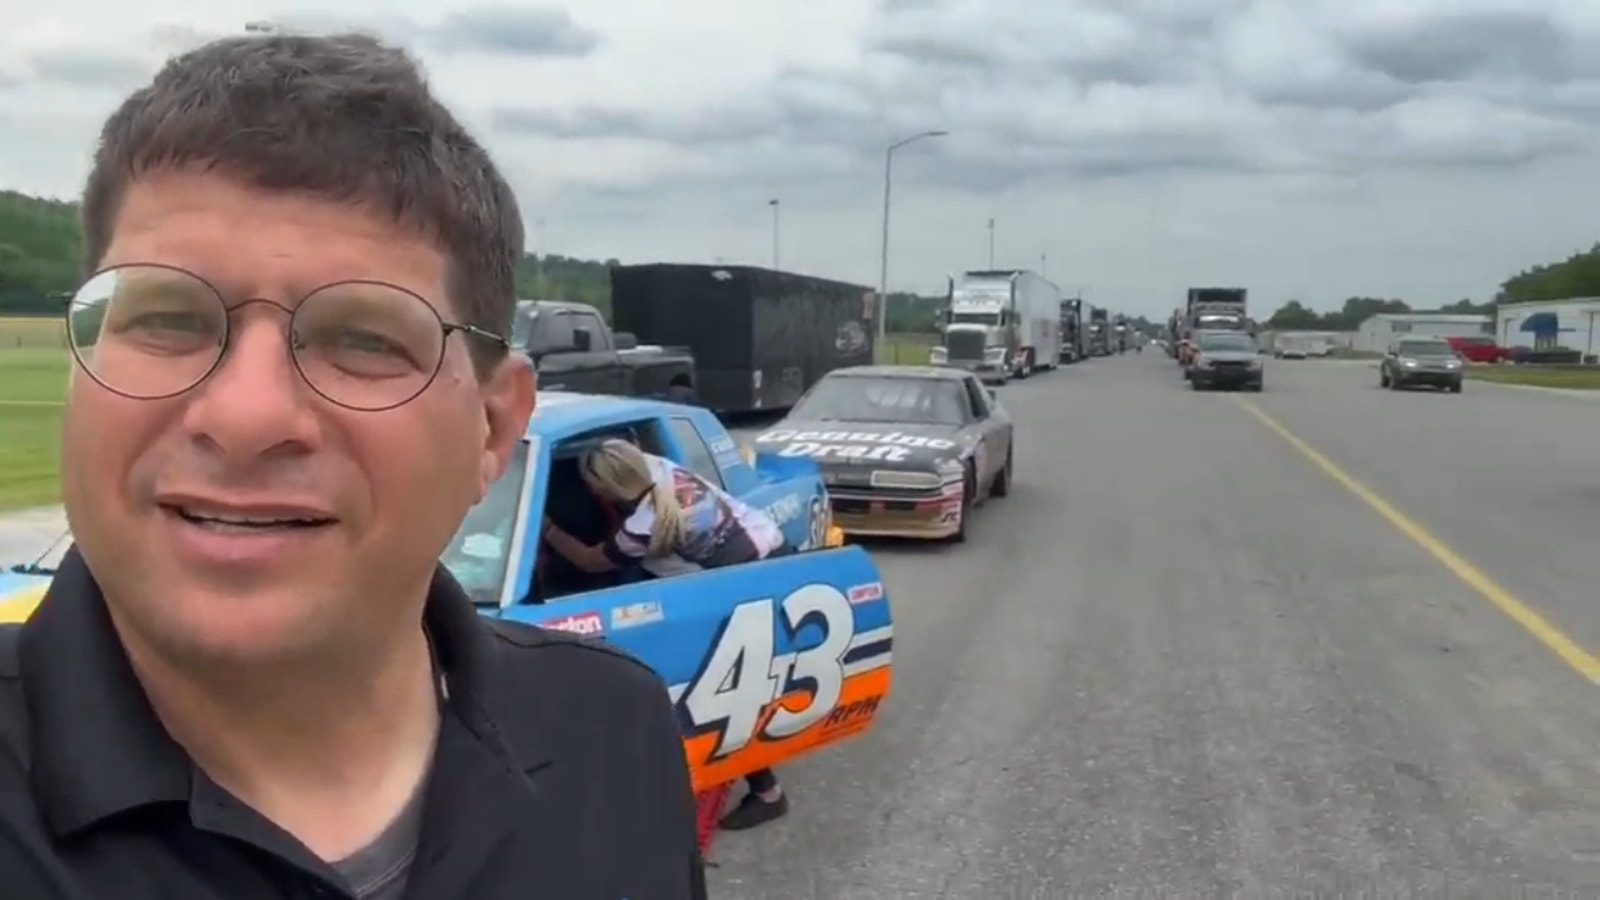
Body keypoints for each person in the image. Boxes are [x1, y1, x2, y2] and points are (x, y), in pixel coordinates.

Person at [0, 31, 704, 900]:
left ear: (491, 429)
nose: (246, 416)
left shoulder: (615, 734)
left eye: (362, 339)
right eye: (169, 318)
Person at [542, 439, 793, 830]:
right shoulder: (658, 469)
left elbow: (589, 562)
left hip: (745, 582)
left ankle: (767, 792)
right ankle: (760, 786)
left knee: (727, 686)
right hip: (768, 552)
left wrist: (548, 528)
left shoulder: (641, 527)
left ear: (604, 489)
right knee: (735, 683)